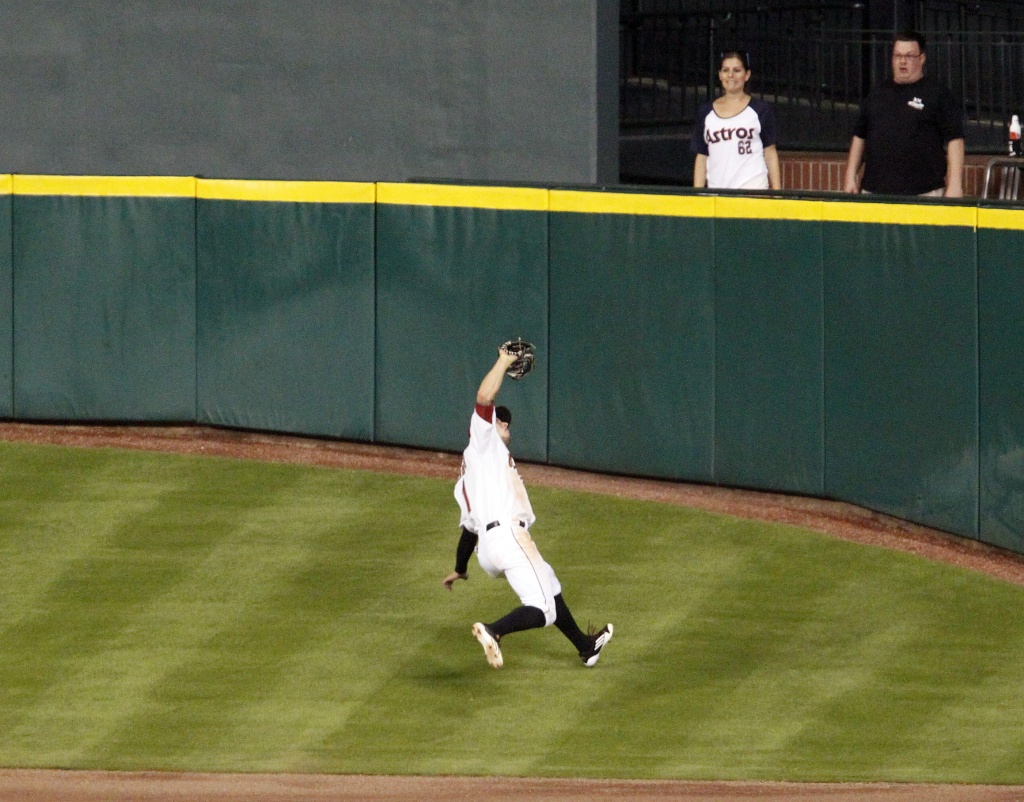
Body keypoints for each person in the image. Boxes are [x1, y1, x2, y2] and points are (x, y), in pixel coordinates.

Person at [442, 344, 613, 669]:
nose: (507, 428)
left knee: (548, 581)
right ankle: (495, 631)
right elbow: (483, 398)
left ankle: (585, 645)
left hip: (488, 551)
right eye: (502, 424)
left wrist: (461, 569)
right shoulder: (484, 441)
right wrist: (504, 361)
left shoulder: (471, 472)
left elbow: (468, 530)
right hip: (507, 536)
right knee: (542, 608)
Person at [843, 31, 965, 197]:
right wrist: (850, 176)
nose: (902, 61)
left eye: (909, 56)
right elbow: (859, 136)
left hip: (924, 192)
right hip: (874, 191)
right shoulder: (877, 93)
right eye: (898, 55)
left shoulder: (938, 94)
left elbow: (955, 140)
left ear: (922, 59)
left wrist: (955, 185)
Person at [691, 51, 782, 190]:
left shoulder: (760, 110)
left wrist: (777, 193)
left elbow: (770, 152)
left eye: (737, 70)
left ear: (747, 75)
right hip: (717, 194)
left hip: (752, 192)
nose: (731, 75)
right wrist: (697, 196)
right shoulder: (706, 113)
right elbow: (702, 156)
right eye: (726, 70)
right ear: (720, 75)